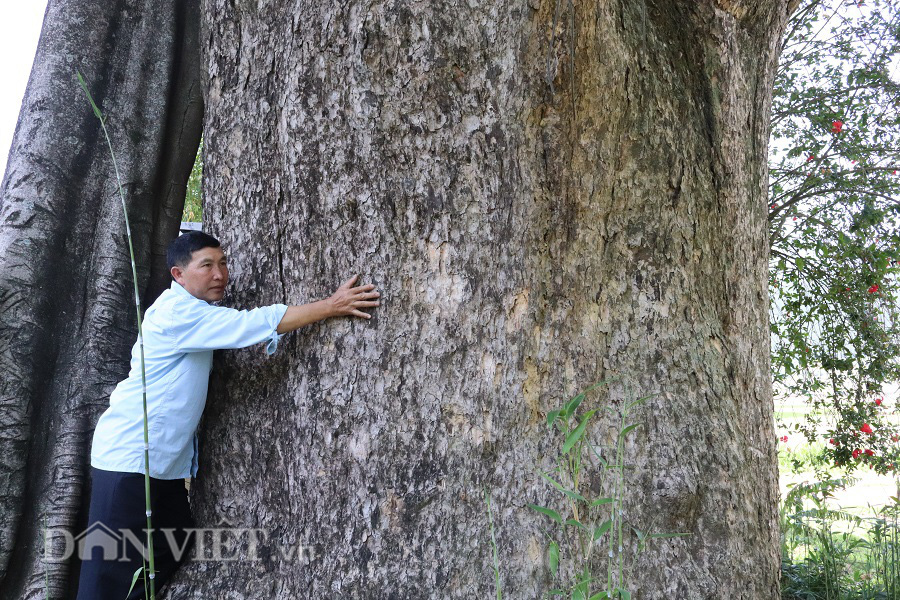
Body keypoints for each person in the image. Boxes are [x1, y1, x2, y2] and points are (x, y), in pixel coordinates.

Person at [75, 231, 379, 599]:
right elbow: (249, 325)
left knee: (175, 541)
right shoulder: (178, 314)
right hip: (130, 460)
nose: (220, 274)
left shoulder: (194, 312)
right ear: (178, 275)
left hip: (161, 465)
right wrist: (331, 305)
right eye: (207, 266)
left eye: (223, 263)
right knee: (109, 575)